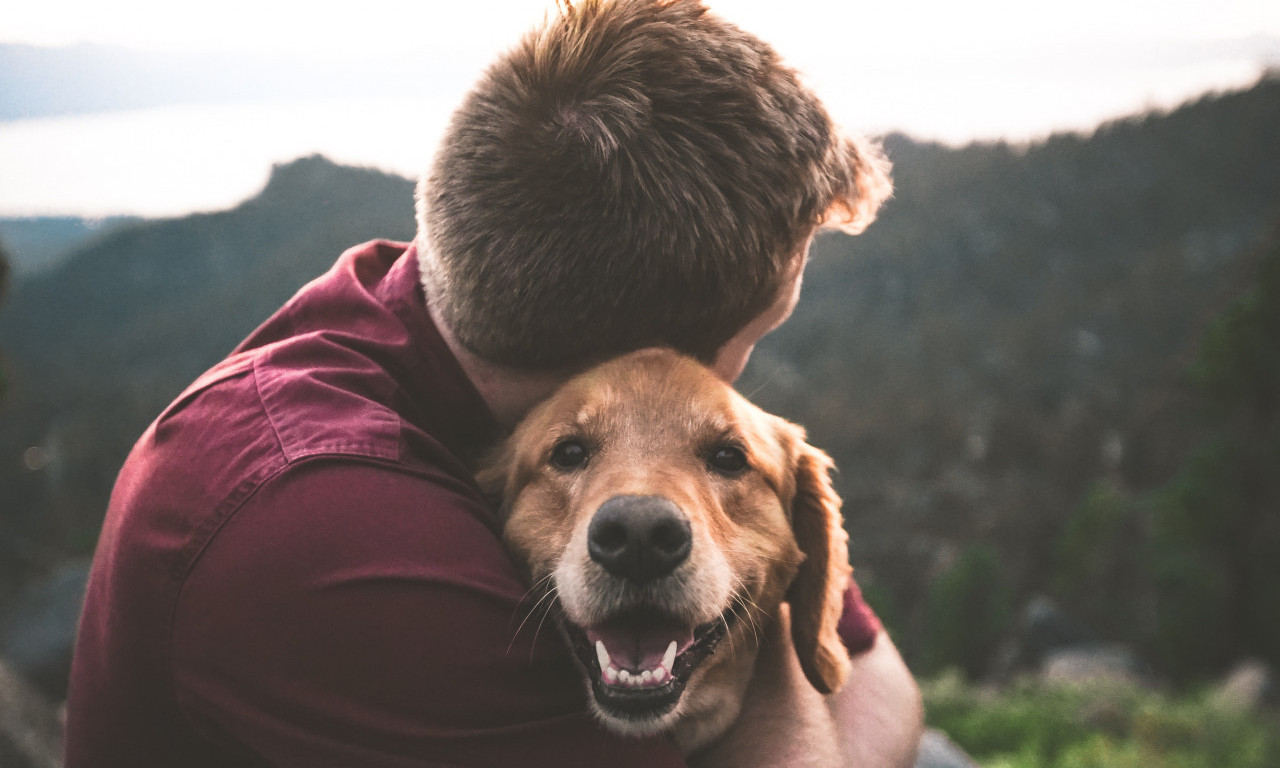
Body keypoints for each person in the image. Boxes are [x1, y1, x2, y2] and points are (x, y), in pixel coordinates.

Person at [65, 0, 922, 765]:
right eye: (757, 335)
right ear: (643, 359)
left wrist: (763, 596)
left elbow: (880, 678)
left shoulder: (442, 307)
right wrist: (764, 619)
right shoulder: (325, 531)